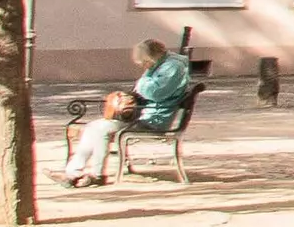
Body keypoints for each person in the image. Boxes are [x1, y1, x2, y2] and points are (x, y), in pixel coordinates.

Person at [60, 38, 198, 185]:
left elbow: (156, 93)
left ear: (152, 57)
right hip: (144, 113)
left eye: (144, 62)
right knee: (92, 127)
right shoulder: (162, 64)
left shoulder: (173, 67)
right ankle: (73, 172)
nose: (144, 66)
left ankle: (97, 175)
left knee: (101, 129)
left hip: (153, 118)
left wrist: (141, 83)